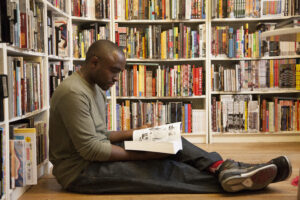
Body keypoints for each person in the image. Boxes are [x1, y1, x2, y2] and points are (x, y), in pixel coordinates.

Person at [49, 40, 292, 194]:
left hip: (94, 156)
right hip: (80, 172)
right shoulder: (73, 92)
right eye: (114, 71)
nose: (116, 78)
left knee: (169, 136)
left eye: (119, 73)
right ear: (94, 62)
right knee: (165, 169)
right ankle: (240, 179)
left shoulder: (94, 87)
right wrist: (145, 155)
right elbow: (91, 150)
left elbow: (99, 136)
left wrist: (136, 134)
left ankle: (225, 167)